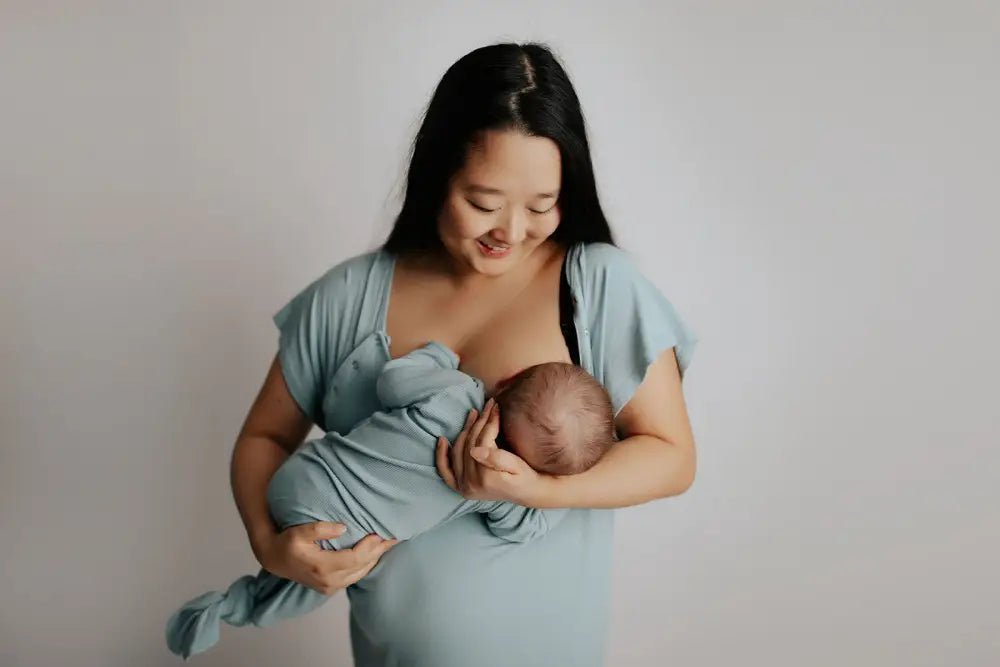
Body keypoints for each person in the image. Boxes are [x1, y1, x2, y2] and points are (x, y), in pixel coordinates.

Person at [229, 41, 699, 666]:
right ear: (437, 175)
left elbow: (671, 458)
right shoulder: (347, 298)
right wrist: (269, 544)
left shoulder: (596, 286)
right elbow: (263, 437)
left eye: (541, 206)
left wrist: (535, 490)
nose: (511, 231)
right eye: (484, 203)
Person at [166, 342, 614, 658]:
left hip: (302, 475)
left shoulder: (453, 391)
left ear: (508, 379)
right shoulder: (492, 488)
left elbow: (392, 381)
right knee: (306, 586)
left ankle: (236, 600)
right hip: (336, 536)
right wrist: (532, 489)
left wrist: (438, 357)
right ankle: (235, 605)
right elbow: (526, 527)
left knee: (309, 564)